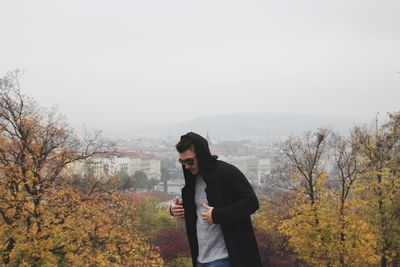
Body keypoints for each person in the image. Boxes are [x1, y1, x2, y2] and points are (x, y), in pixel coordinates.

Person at [170, 132, 262, 267]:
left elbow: (251, 202)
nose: (186, 166)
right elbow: (200, 206)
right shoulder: (192, 179)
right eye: (182, 162)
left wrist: (217, 215)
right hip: (201, 258)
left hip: (225, 258)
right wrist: (175, 210)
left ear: (201, 155)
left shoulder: (226, 172)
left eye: (189, 161)